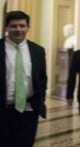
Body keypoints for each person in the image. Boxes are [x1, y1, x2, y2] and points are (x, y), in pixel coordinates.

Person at [0, 11, 47, 146]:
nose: (18, 29)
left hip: (29, 110)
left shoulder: (38, 50)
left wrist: (40, 100)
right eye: (13, 26)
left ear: (28, 27)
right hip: (3, 111)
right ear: (7, 28)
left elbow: (42, 78)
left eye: (22, 26)